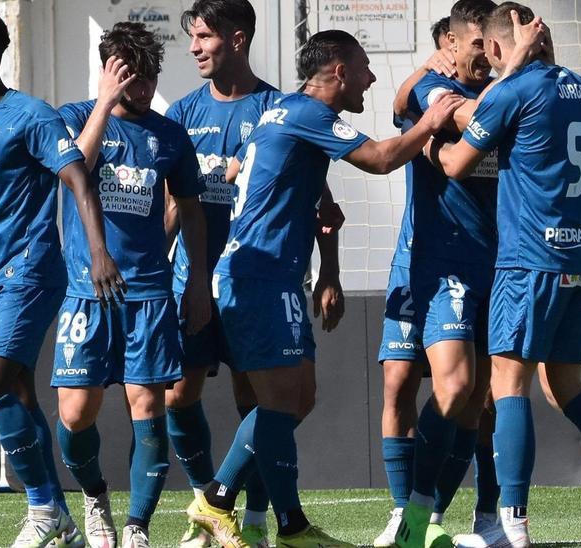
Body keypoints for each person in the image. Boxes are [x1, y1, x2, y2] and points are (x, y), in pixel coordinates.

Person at [188, 29, 462, 548]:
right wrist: (429, 121)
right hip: (256, 274)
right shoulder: (308, 113)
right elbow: (381, 158)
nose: (372, 78)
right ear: (339, 71)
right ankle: (236, 508)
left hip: (278, 274)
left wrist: (316, 229)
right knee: (277, 403)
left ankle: (243, 510)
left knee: (299, 398)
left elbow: (239, 170)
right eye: (364, 68)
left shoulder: (282, 114)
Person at [429, 4, 581, 547]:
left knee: (506, 385)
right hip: (579, 257)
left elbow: (456, 164)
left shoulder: (513, 91)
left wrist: (431, 138)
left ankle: (508, 526)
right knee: (564, 386)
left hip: (528, 258)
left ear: (495, 49)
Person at [0, 12, 123, 548]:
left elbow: (78, 178)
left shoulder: (31, 116)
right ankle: (60, 520)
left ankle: (39, 509)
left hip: (32, 273)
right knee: (18, 394)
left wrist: (99, 252)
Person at [52, 21, 212, 548]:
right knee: (76, 416)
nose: (141, 90)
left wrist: (196, 284)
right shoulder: (75, 118)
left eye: (149, 78)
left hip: (149, 294)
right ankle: (95, 497)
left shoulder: (169, 135)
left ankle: (138, 526)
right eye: (130, 78)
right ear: (108, 72)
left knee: (149, 409)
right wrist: (103, 103)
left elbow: (189, 210)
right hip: (85, 293)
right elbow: (75, 170)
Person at [373, 2, 506, 547]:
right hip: (425, 260)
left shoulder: (503, 90)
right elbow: (426, 107)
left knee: (478, 397)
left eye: (493, 45)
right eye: (477, 44)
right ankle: (407, 512)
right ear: (450, 43)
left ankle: (456, 515)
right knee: (402, 381)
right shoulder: (433, 89)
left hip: (491, 262)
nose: (487, 55)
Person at [161, 1, 285, 546]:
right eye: (193, 37)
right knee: (177, 396)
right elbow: (167, 204)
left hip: (254, 278)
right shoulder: (183, 114)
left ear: (237, 39)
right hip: (190, 278)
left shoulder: (278, 109)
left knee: (255, 399)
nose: (193, 47)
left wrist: (328, 272)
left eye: (204, 36)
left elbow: (314, 202)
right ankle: (209, 505)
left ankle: (254, 518)